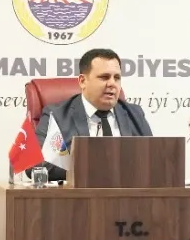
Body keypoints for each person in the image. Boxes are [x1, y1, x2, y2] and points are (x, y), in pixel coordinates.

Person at [39, 48, 153, 181]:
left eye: (117, 78)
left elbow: (153, 160)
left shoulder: (134, 114)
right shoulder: (57, 116)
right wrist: (96, 166)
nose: (112, 83)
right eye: (104, 77)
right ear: (82, 81)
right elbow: (36, 164)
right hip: (81, 193)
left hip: (128, 192)